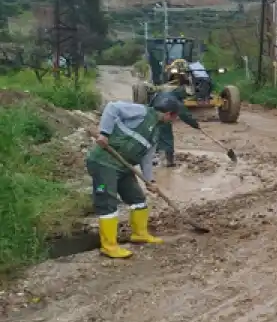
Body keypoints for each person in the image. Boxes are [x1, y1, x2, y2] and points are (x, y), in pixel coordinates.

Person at [85, 96, 182, 258]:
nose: (174, 120)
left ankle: (139, 234)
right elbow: (112, 107)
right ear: (169, 114)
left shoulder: (156, 133)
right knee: (107, 200)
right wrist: (104, 133)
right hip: (104, 163)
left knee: (138, 199)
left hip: (123, 167)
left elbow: (147, 159)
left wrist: (150, 181)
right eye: (175, 116)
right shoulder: (142, 112)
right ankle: (109, 246)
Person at [149, 89, 200, 167]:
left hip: (153, 115)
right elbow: (185, 115)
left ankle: (153, 158)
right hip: (164, 117)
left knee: (154, 136)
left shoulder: (162, 93)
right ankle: (170, 161)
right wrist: (195, 125)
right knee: (167, 138)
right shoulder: (176, 101)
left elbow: (150, 104)